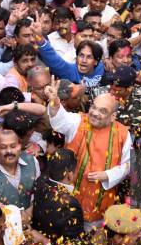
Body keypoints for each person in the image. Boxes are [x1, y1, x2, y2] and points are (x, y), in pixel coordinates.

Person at [46, 80, 131, 226]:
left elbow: (127, 165)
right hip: (69, 204)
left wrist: (107, 175)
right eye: (94, 107)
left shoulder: (123, 133)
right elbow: (59, 120)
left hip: (100, 207)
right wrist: (54, 101)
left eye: (102, 111)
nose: (95, 113)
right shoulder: (78, 121)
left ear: (113, 117)